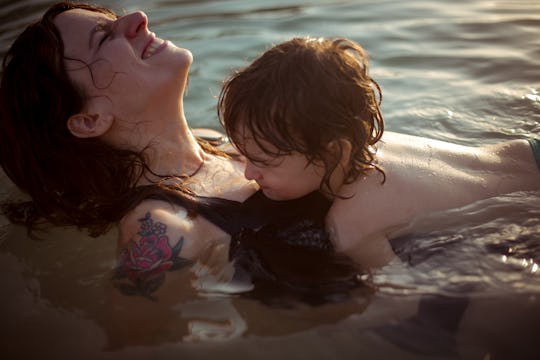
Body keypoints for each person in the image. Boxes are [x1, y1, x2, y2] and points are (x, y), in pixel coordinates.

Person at [0, 2, 366, 302]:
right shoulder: (160, 227)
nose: (137, 18)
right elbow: (140, 344)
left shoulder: (223, 144)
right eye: (103, 38)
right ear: (90, 119)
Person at [218, 36, 540, 267]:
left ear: (331, 154)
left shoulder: (352, 224)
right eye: (244, 154)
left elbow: (403, 299)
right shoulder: (359, 135)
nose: (248, 173)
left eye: (262, 161)